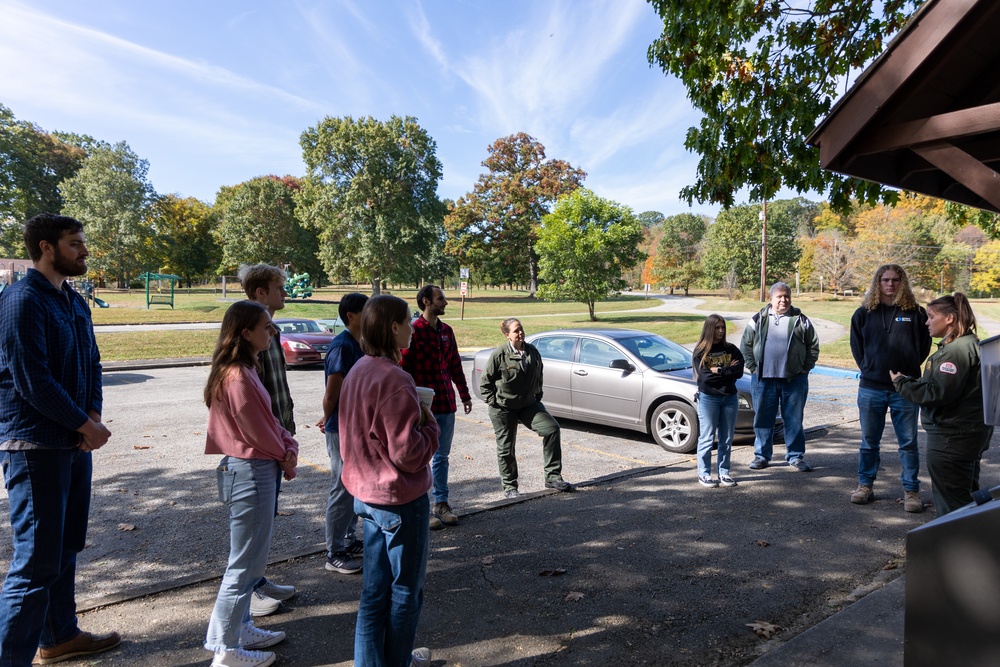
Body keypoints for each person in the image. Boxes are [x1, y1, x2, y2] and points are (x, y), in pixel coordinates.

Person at [0, 213, 121, 665]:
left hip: (73, 443)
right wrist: (84, 425)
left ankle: (58, 637)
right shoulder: (21, 300)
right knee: (34, 565)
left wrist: (92, 414)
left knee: (66, 547)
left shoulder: (73, 302)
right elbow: (32, 379)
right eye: (75, 243)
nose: (84, 250)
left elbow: (92, 364)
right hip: (34, 447)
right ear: (46, 247)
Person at [339, 295, 439, 667]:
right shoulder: (396, 379)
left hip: (366, 496)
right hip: (398, 498)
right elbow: (408, 454)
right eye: (408, 320)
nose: (413, 326)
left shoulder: (358, 370)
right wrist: (429, 427)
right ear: (393, 326)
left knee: (373, 594)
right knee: (405, 594)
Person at [203, 300, 298, 667]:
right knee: (243, 566)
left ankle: (240, 629)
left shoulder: (245, 369)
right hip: (250, 472)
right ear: (246, 333)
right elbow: (257, 431)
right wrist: (285, 454)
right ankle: (225, 650)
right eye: (267, 327)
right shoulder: (237, 376)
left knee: (251, 563)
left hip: (254, 469)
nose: (272, 332)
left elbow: (269, 421)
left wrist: (286, 444)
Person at [891, 293, 992, 516]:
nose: (926, 322)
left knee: (952, 504)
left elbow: (938, 393)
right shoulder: (965, 344)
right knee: (965, 495)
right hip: (966, 432)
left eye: (931, 316)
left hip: (952, 437)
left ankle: (954, 547)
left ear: (949, 319)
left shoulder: (956, 351)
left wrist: (901, 383)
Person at [238, 264, 297, 616]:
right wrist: (277, 443)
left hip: (277, 439)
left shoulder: (269, 330)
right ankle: (249, 591)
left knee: (266, 520)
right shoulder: (251, 333)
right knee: (254, 526)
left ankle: (258, 579)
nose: (285, 293)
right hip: (263, 445)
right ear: (260, 292)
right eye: (279, 287)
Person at [849, 265, 930, 512]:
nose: (890, 284)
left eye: (896, 280)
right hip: (871, 388)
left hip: (905, 389)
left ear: (902, 282)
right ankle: (865, 486)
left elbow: (924, 346)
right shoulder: (864, 313)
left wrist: (906, 369)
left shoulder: (916, 313)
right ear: (878, 282)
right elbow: (857, 347)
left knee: (908, 443)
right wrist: (870, 367)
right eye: (885, 280)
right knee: (869, 442)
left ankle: (911, 491)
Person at [401, 285, 473, 530]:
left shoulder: (446, 331)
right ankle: (421, 507)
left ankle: (441, 503)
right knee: (419, 458)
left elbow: (454, 365)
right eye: (440, 298)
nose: (445, 302)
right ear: (426, 302)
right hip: (421, 408)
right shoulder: (412, 331)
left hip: (446, 403)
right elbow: (402, 369)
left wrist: (464, 395)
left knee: (441, 457)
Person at [479, 318, 575, 498]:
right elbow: (485, 383)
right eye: (516, 331)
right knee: (506, 448)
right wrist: (494, 401)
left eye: (521, 329)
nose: (520, 333)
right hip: (503, 408)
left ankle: (553, 476)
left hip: (528, 404)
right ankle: (510, 487)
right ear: (507, 335)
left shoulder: (532, 352)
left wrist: (537, 394)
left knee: (552, 429)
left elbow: (539, 374)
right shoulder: (499, 354)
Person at [741, 282, 820, 472]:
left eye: (786, 296)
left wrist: (806, 367)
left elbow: (813, 345)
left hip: (793, 380)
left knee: (793, 419)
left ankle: (795, 456)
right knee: (762, 419)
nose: (783, 300)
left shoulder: (800, 320)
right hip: (763, 379)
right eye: (779, 296)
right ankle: (761, 456)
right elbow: (746, 345)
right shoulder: (758, 319)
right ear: (771, 299)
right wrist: (752, 367)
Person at [317, 292, 368, 575]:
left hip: (353, 426)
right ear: (351, 315)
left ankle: (348, 539)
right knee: (342, 486)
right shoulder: (342, 346)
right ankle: (334, 551)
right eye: (366, 310)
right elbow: (332, 392)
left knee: (352, 485)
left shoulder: (358, 343)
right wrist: (328, 418)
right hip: (341, 428)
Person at [692, 314, 744, 488]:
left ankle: (724, 472)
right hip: (709, 399)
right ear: (709, 329)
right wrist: (727, 370)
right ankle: (704, 474)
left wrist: (720, 370)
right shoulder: (700, 351)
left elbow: (739, 371)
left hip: (729, 398)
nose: (720, 331)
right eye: (717, 328)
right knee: (707, 438)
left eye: (722, 327)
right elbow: (705, 378)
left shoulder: (731, 349)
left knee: (727, 438)